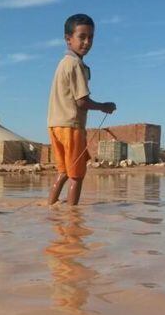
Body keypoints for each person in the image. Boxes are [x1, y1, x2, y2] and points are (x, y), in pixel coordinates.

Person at [47, 14, 116, 206]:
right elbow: (81, 102)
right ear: (68, 39)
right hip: (71, 126)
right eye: (82, 37)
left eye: (91, 37)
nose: (87, 42)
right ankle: (73, 218)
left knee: (63, 172)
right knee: (76, 176)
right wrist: (104, 107)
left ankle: (50, 206)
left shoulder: (63, 63)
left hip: (55, 125)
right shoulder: (75, 64)